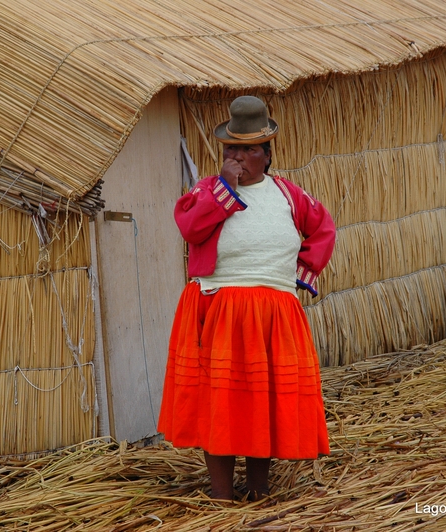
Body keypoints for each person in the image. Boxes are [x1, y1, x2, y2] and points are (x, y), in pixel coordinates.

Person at [157, 95, 336, 501]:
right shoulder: (207, 191)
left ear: (267, 155)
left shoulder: (289, 196)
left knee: (263, 401)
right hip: (218, 308)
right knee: (218, 402)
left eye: (249, 149)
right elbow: (191, 228)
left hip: (273, 312)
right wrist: (225, 187)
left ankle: (259, 489)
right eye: (231, 148)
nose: (238, 156)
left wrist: (297, 276)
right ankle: (221, 493)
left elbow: (324, 230)